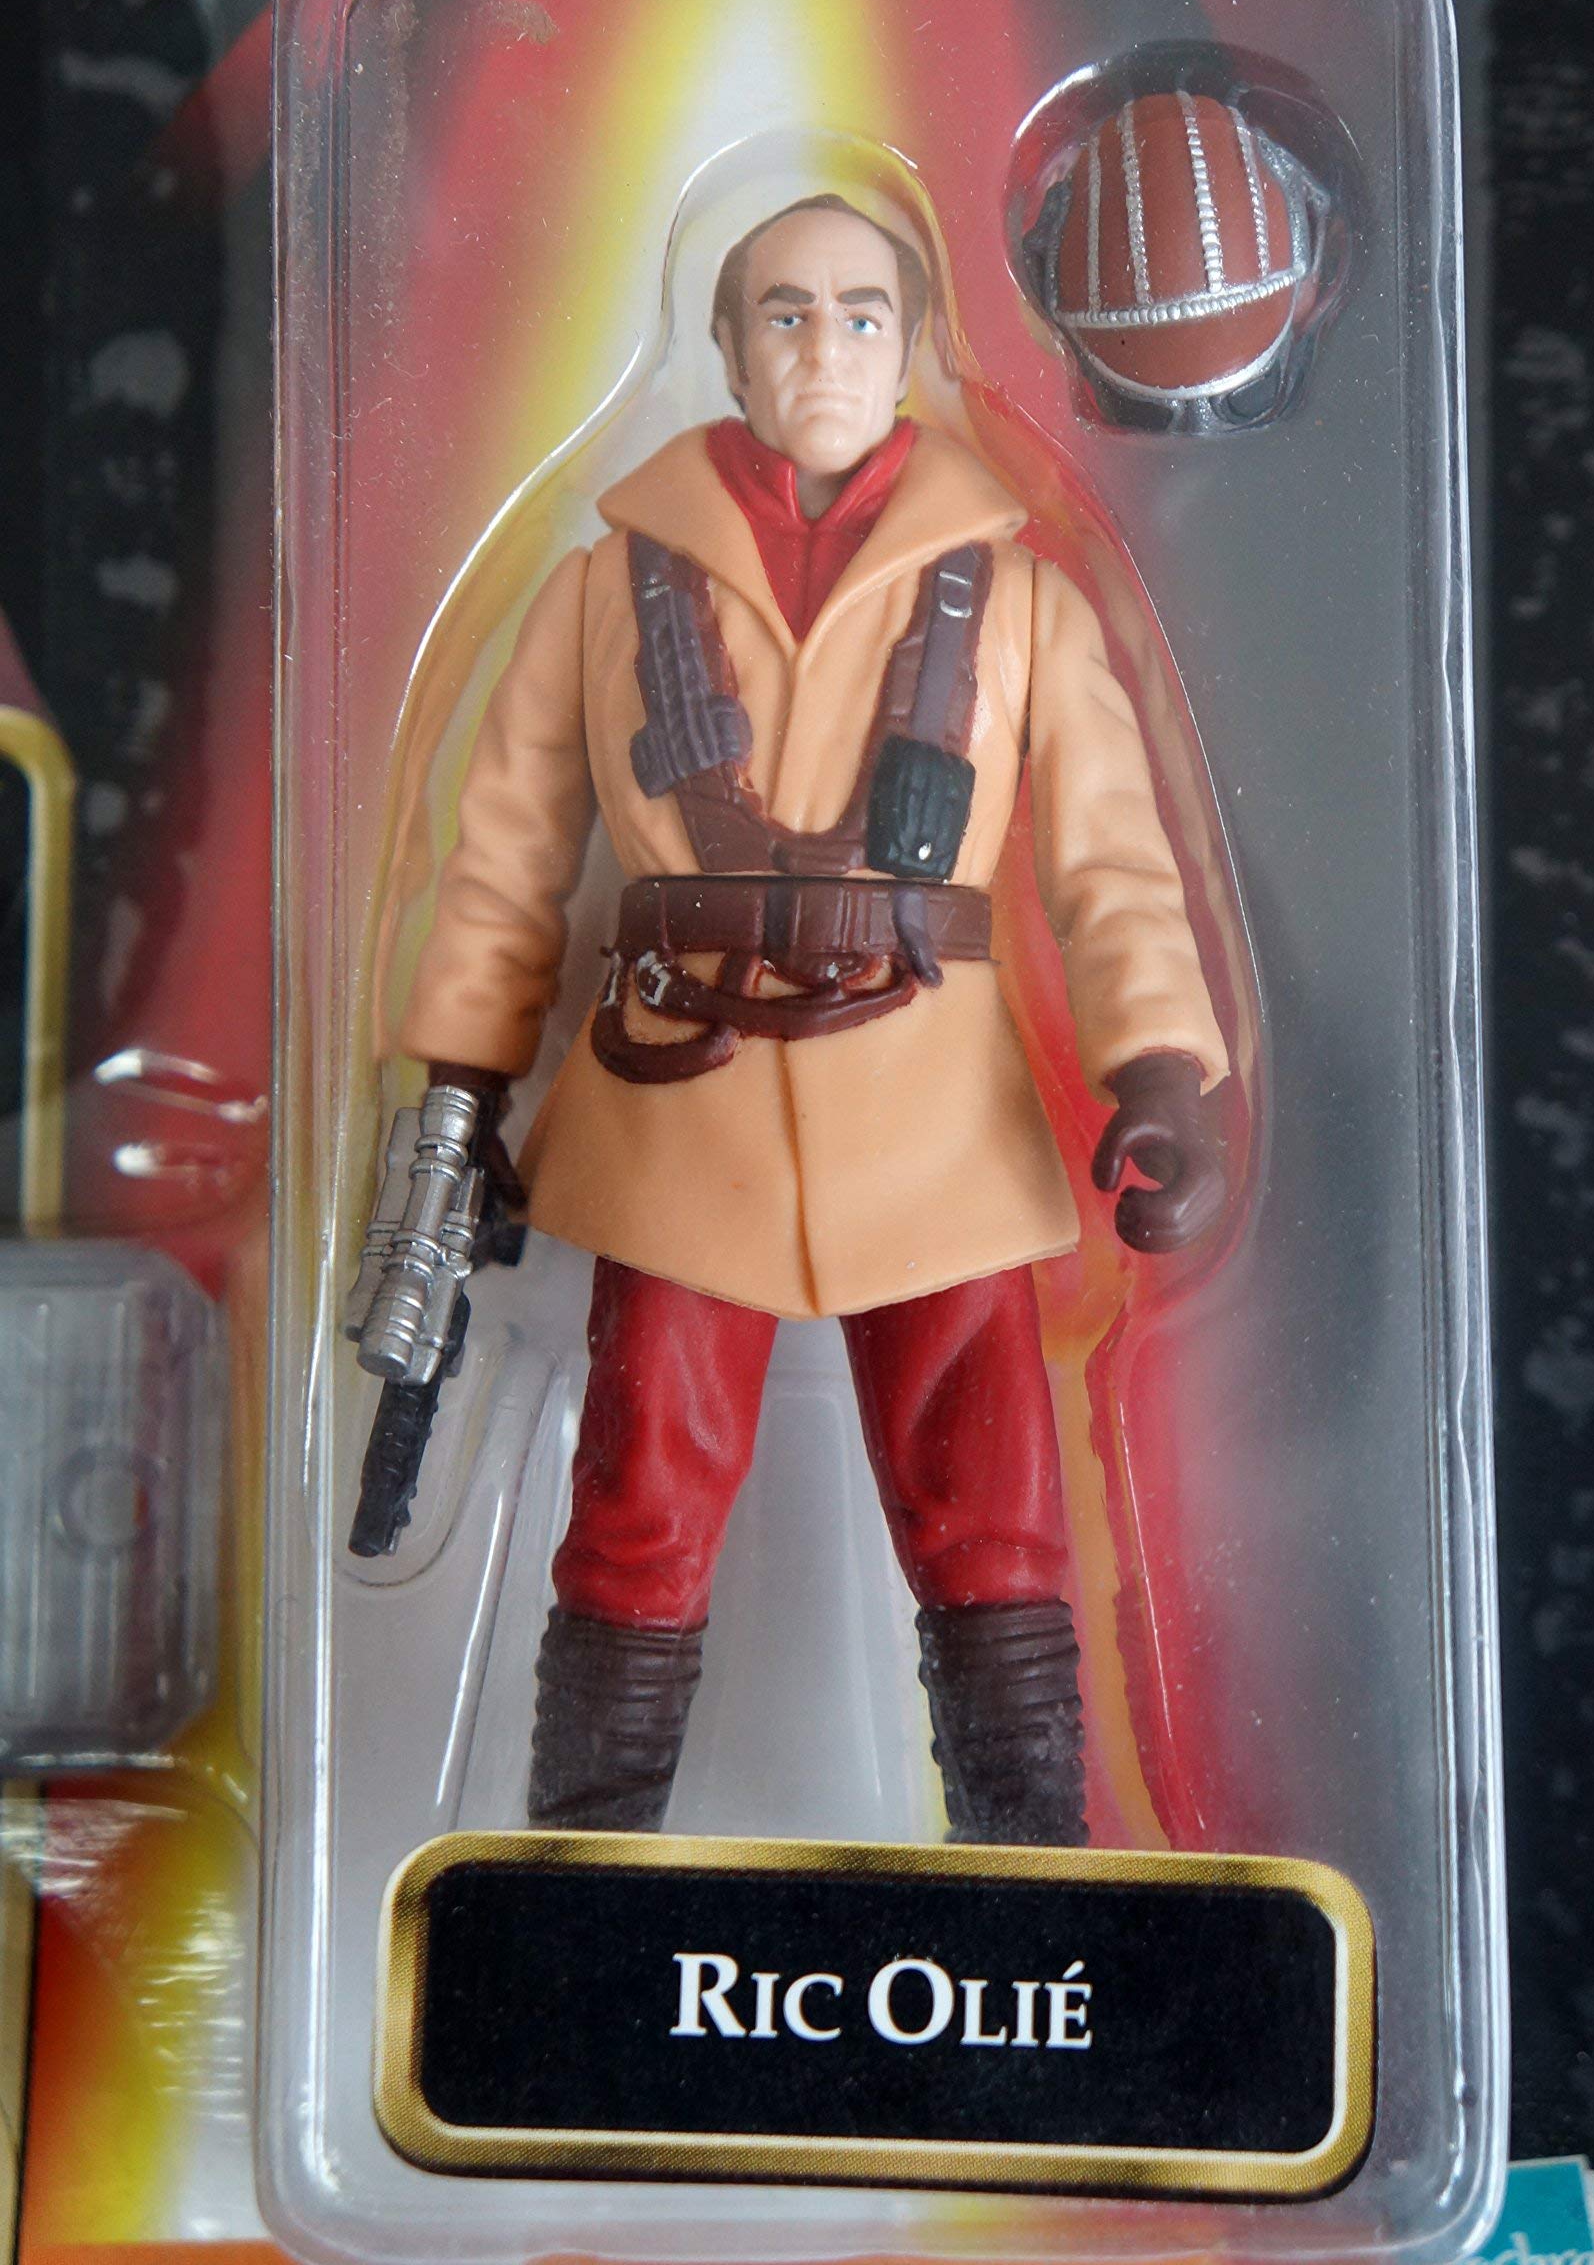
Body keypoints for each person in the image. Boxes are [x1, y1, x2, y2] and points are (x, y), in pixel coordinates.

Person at [394, 193, 1230, 1844]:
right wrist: (457, 1091)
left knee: (994, 1524)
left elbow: (1114, 867)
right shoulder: (600, 594)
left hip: (937, 1127)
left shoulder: (1019, 601)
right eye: (783, 313)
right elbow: (500, 866)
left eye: (859, 314)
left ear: (912, 344)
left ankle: (1031, 1881)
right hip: (673, 1108)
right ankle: (580, 1872)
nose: (823, 349)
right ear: (725, 345)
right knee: (634, 1517)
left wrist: (1158, 1067)